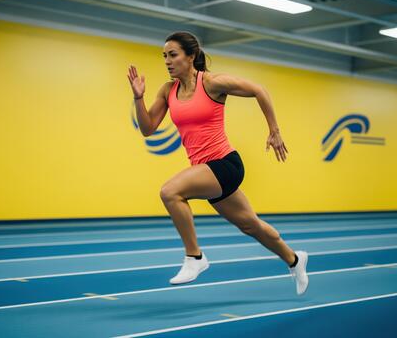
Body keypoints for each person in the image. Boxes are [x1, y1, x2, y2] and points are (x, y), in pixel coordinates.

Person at [127, 31, 308, 295]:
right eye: (164, 56)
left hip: (225, 164)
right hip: (207, 171)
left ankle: (195, 257)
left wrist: (274, 130)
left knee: (170, 192)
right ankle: (294, 259)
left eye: (173, 55)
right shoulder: (168, 91)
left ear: (191, 57)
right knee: (250, 225)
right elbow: (147, 128)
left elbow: (259, 90)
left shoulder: (211, 83)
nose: (167, 61)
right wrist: (138, 97)